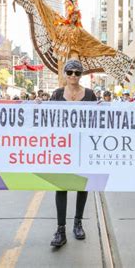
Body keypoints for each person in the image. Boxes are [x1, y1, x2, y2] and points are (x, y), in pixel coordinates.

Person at [49, 59, 97, 247]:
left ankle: (78, 222)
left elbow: (98, 120)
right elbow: (47, 118)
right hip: (62, 148)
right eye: (70, 72)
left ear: (81, 75)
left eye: (77, 73)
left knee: (81, 186)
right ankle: (60, 229)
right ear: (65, 74)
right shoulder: (57, 94)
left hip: (83, 147)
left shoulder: (90, 94)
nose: (73, 76)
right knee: (61, 187)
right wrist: (36, 105)